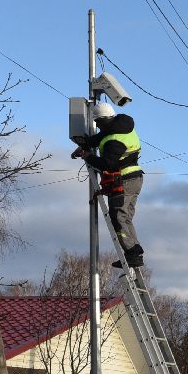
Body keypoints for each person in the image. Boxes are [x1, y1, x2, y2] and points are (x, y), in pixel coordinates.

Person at [71, 100, 143, 268]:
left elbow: (107, 163)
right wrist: (84, 144)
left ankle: (132, 254)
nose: (96, 125)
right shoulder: (120, 127)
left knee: (118, 218)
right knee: (125, 217)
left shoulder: (114, 139)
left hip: (124, 180)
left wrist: (88, 156)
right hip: (135, 178)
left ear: (101, 121)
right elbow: (100, 138)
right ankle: (135, 251)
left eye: (97, 122)